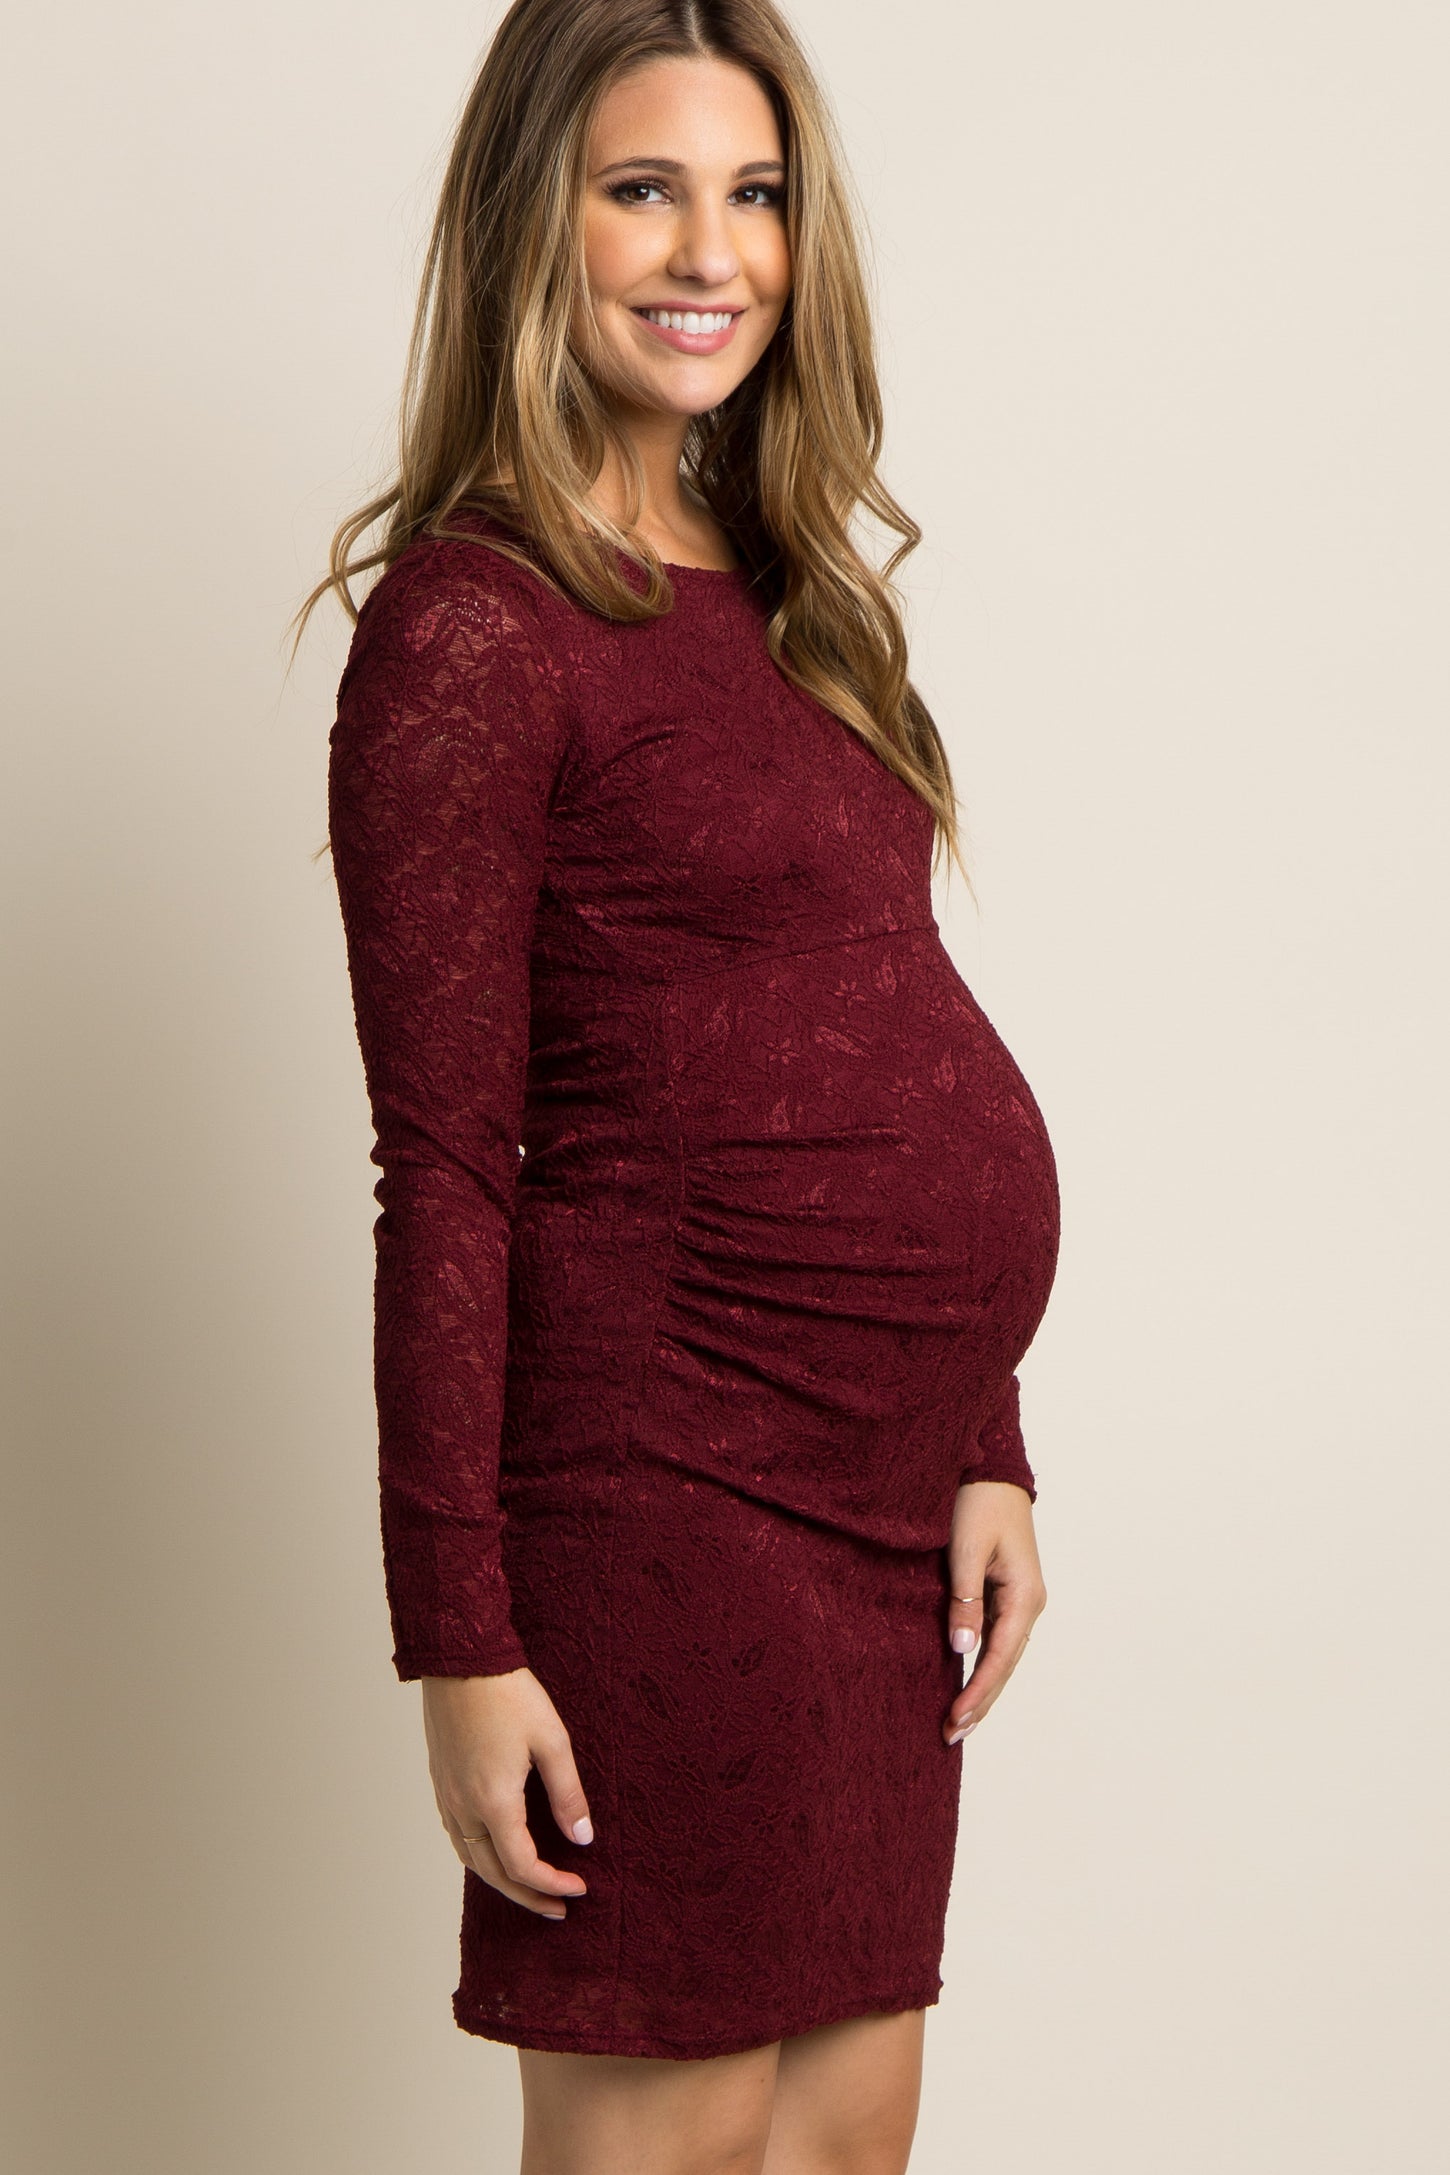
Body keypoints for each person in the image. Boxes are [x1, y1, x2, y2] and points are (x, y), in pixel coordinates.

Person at [294, 2, 1059, 2167]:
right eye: (643, 189)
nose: (710, 252)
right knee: (680, 2134)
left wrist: (981, 1436)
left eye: (754, 194)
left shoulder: (805, 601)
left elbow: (875, 990)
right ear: (530, 220)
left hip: (882, 1514)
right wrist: (459, 1640)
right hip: (662, 1497)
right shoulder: (476, 625)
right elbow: (446, 1163)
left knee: (845, 2128)